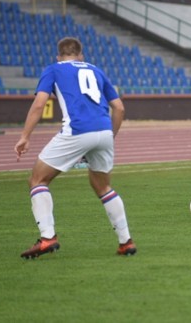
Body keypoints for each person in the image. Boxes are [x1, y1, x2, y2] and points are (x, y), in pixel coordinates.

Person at [14, 37, 136, 258]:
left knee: (37, 179)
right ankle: (125, 241)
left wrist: (25, 136)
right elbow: (119, 108)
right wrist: (110, 136)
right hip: (104, 131)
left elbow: (40, 103)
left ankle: (47, 237)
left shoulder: (53, 69)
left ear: (58, 56)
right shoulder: (96, 70)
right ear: (81, 55)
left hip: (77, 130)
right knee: (102, 186)